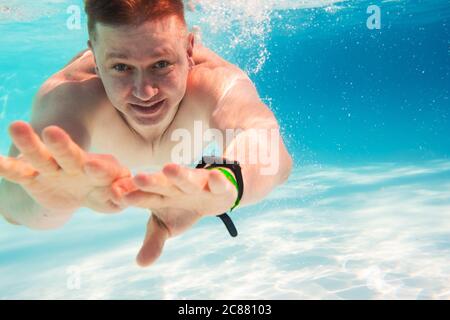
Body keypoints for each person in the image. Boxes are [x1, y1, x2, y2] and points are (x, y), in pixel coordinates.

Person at [0, 0, 292, 267]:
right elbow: (11, 206)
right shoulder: (73, 96)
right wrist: (49, 203)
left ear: (189, 51)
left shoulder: (213, 81)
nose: (144, 92)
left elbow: (268, 145)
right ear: (96, 58)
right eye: (121, 67)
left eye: (161, 64)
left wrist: (229, 182)